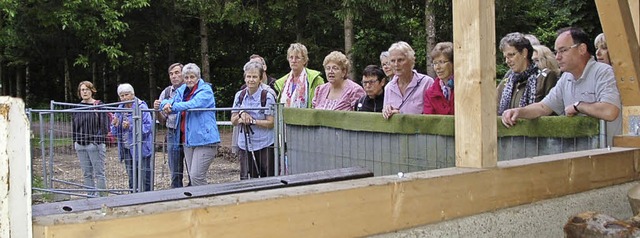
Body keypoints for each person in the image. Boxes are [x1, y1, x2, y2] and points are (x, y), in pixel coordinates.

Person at [501, 27, 621, 145]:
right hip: (583, 157)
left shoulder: (604, 72)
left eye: (563, 50)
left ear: (582, 49)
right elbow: (543, 107)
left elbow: (610, 111)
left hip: (612, 156)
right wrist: (518, 112)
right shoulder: (566, 77)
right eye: (556, 52)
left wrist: (578, 106)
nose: (557, 57)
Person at [161, 63, 220, 186]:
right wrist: (165, 104)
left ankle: (207, 200)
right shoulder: (182, 90)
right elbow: (167, 101)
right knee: (193, 178)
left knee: (197, 176)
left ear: (198, 77)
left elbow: (193, 104)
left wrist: (172, 107)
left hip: (204, 140)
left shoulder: (206, 90)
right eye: (186, 77)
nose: (189, 80)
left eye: (192, 77)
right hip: (188, 140)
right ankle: (199, 201)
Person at [231, 61, 277, 179]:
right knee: (247, 179)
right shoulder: (239, 95)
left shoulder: (267, 96)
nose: (251, 80)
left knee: (268, 178)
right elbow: (233, 120)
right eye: (248, 76)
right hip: (245, 144)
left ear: (260, 79)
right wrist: (241, 116)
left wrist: (252, 121)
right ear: (245, 78)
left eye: (254, 77)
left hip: (265, 144)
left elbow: (271, 123)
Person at [497, 32, 558, 115]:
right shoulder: (507, 81)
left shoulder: (545, 77)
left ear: (524, 52)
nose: (507, 61)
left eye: (511, 55)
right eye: (505, 57)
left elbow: (553, 111)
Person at [111, 83, 153, 192]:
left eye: (126, 94)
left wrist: (131, 127)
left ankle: (147, 197)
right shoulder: (120, 108)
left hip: (141, 147)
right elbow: (114, 131)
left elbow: (148, 127)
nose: (124, 98)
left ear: (132, 94)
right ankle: (133, 197)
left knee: (144, 176)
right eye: (122, 96)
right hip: (126, 148)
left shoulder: (141, 107)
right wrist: (115, 125)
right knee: (131, 175)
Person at [153, 63, 188, 188]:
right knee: (175, 172)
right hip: (172, 133)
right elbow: (162, 121)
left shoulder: (191, 90)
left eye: (177, 72)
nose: (174, 76)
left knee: (193, 172)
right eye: (171, 74)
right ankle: (176, 198)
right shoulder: (166, 92)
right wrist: (156, 110)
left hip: (189, 133)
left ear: (184, 74)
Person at [72, 81, 109, 196]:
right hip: (80, 144)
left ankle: (102, 199)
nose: (84, 92)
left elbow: (104, 126)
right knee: (86, 173)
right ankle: (90, 198)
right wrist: (75, 141)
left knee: (99, 173)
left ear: (92, 91)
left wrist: (96, 142)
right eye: (82, 90)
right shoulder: (77, 108)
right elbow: (74, 126)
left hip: (94, 145)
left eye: (87, 89)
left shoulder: (98, 106)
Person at [382, 41, 434, 119]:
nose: (396, 64)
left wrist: (403, 116)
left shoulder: (427, 83)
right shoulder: (389, 88)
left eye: (400, 60)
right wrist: (386, 111)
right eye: (392, 61)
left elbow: (432, 116)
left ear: (411, 60)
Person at [274, 43, 325, 108]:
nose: (293, 61)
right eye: (291, 57)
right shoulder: (283, 82)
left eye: (297, 58)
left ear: (304, 60)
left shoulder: (316, 79)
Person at [423, 42, 455, 115]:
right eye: (435, 63)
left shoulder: (464, 87)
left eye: (442, 62)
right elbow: (429, 121)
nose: (437, 67)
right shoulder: (430, 93)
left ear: (453, 63)